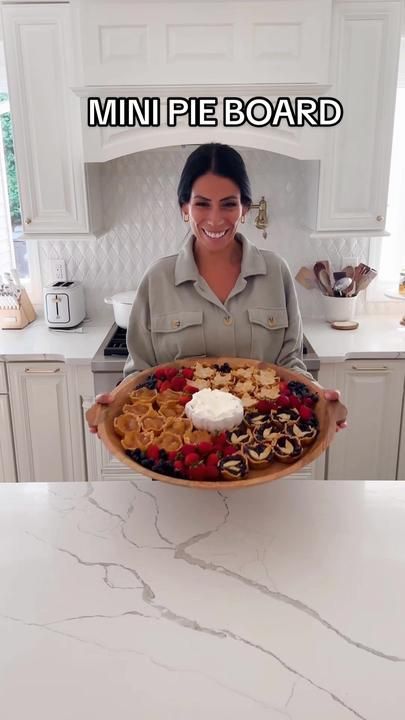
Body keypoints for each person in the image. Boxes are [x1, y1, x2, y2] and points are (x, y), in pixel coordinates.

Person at [89, 143, 347, 434]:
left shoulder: (276, 273)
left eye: (228, 204)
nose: (215, 218)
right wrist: (115, 401)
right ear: (184, 208)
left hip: (263, 450)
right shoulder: (157, 279)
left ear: (244, 209)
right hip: (178, 454)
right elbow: (140, 375)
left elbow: (288, 364)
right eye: (201, 203)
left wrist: (318, 396)